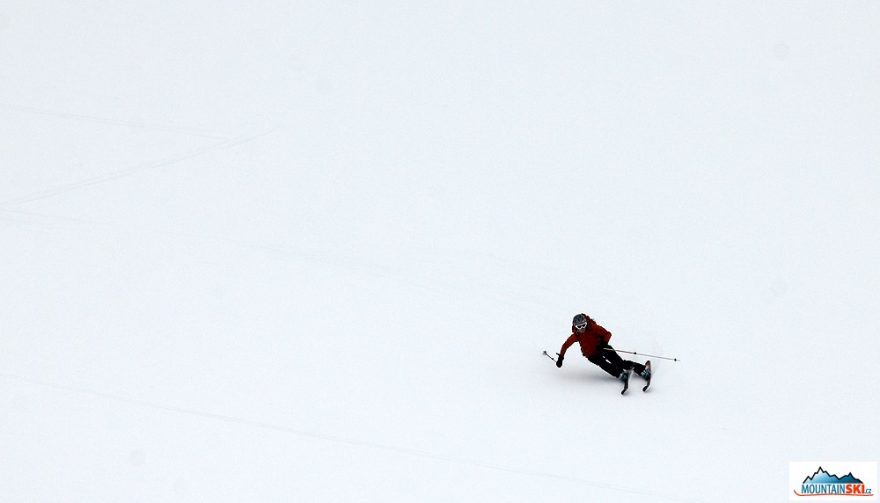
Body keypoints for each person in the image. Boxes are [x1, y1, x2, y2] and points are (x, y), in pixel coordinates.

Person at [556, 313, 651, 387]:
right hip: (591, 354)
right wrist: (561, 358)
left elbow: (608, 334)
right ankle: (620, 374)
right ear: (575, 327)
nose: (582, 329)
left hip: (603, 347)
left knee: (619, 363)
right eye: (579, 327)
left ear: (586, 323)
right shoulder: (576, 335)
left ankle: (642, 370)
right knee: (604, 365)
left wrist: (603, 343)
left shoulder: (594, 328)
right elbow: (565, 345)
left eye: (583, 325)